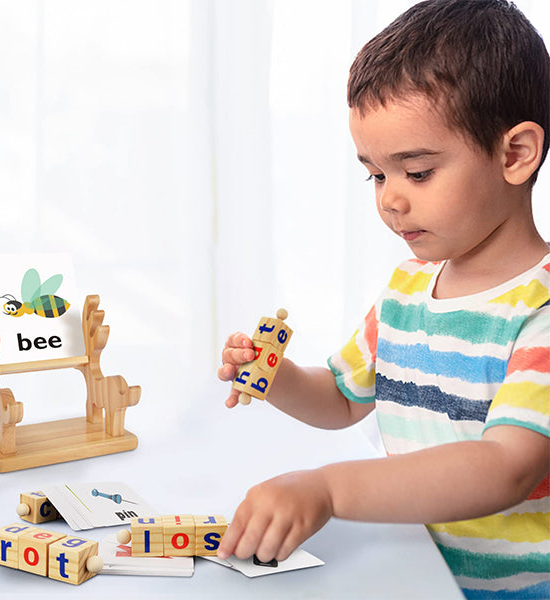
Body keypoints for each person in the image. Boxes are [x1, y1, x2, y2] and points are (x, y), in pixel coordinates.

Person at [216, 1, 550, 598]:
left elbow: (506, 467)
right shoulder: (406, 289)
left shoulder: (540, 312)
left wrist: (329, 489)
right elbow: (343, 400)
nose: (390, 200)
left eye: (416, 172)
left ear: (514, 154)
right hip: (415, 570)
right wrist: (275, 376)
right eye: (375, 174)